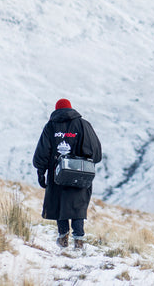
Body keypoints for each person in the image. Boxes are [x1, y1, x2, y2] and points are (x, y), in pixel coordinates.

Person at [33, 98, 102, 249]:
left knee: (60, 205)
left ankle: (63, 237)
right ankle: (78, 240)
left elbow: (43, 151)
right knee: (77, 206)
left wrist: (41, 172)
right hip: (79, 173)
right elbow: (95, 152)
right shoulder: (83, 125)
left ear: (56, 110)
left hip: (57, 174)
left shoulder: (51, 126)